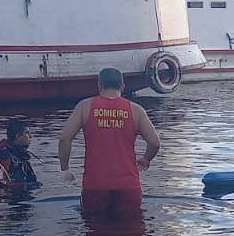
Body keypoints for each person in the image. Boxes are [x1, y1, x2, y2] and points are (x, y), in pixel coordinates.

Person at [58, 67, 160, 217]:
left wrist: (65, 168)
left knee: (95, 234)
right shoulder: (136, 110)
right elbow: (155, 143)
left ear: (99, 86)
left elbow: (64, 139)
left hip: (95, 185)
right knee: (131, 235)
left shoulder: (85, 107)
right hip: (128, 186)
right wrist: (146, 158)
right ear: (123, 87)